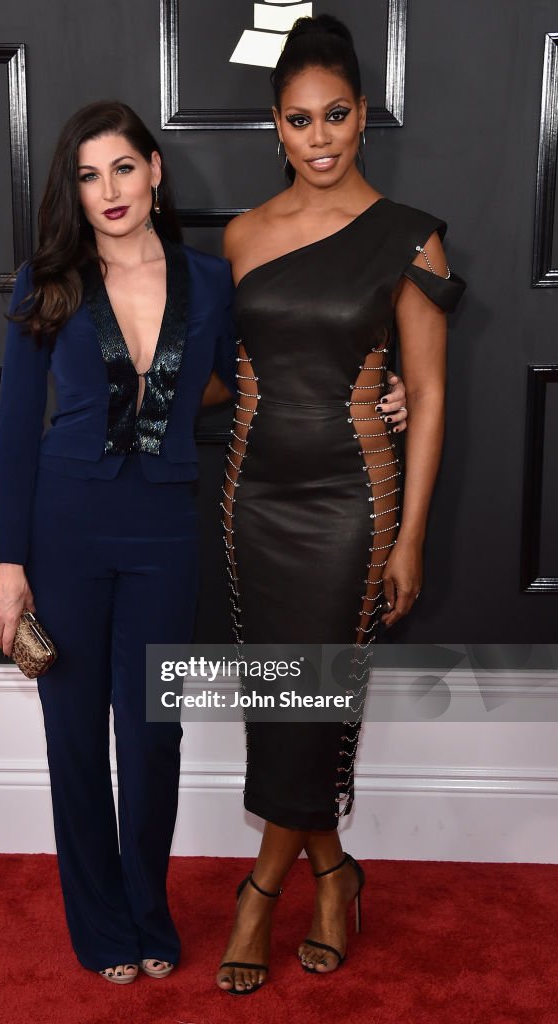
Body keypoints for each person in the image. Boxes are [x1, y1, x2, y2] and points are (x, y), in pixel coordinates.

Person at [217, 15, 465, 994]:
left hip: (351, 504)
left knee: (312, 700)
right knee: (280, 702)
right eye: (297, 120)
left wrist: (411, 541)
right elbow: (221, 373)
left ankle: (261, 893)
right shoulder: (241, 236)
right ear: (274, 128)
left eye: (335, 115)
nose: (318, 137)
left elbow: (431, 394)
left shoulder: (414, 238)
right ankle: (335, 870)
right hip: (252, 498)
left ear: (364, 116)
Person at [0, 101, 237, 985]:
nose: (109, 191)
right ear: (74, 191)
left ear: (155, 170)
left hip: (167, 527)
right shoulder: (44, 281)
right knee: (76, 737)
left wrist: (379, 394)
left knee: (154, 735)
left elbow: (237, 384)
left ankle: (147, 909)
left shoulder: (210, 280)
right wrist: (7, 566)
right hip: (65, 528)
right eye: (88, 176)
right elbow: (16, 431)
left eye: (122, 168)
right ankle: (97, 923)